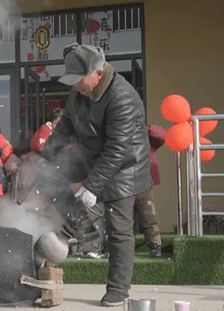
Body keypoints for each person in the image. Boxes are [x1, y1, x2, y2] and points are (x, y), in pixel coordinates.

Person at [41, 43, 152, 306]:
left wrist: (91, 187)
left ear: (98, 73)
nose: (76, 85)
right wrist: (46, 156)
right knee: (48, 179)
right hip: (90, 156)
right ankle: (86, 230)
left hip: (125, 166)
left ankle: (118, 288)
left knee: (119, 229)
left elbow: (117, 150)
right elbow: (66, 124)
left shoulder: (122, 97)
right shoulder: (78, 92)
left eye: (80, 80)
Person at [134, 125, 166, 258]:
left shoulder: (149, 138)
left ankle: (155, 246)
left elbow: (161, 136)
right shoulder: (121, 131)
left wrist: (145, 127)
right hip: (123, 183)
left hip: (144, 183)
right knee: (124, 219)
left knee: (149, 217)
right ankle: (124, 249)